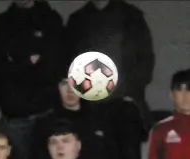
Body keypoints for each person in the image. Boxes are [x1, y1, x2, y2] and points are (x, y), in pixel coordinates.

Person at [0, 0, 66, 159]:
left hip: (47, 112)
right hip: (15, 115)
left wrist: (15, 63)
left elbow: (54, 67)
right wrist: (27, 62)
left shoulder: (51, 20)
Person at [66, 0, 155, 132]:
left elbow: (145, 57)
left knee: (126, 150)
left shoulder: (131, 16)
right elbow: (68, 59)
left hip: (125, 103)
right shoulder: (77, 20)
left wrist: (131, 91)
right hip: (90, 106)